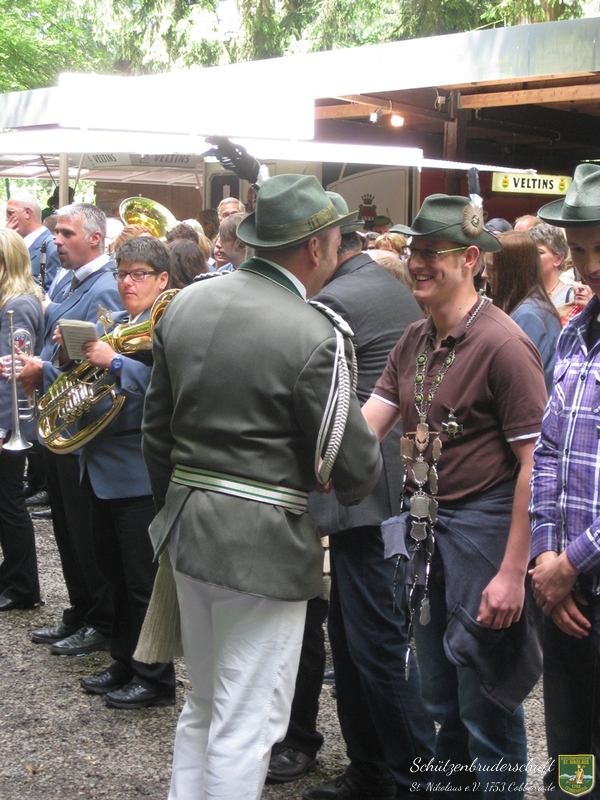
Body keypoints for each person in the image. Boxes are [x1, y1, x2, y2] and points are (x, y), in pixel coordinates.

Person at [140, 174, 382, 800]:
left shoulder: (184, 305)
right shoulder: (314, 332)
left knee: (203, 706)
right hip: (263, 547)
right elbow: (357, 468)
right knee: (247, 722)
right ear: (314, 248)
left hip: (186, 527)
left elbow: (155, 435)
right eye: (336, 243)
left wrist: (178, 504)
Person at [362, 193, 548, 799]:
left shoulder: (504, 344)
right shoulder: (414, 338)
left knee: (485, 703)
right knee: (441, 697)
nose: (417, 263)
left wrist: (513, 573)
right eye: (413, 251)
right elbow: (369, 427)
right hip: (426, 532)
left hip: (484, 536)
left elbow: (535, 466)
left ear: (470, 258)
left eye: (432, 253)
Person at [299, 193, 435, 800]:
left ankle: (413, 778)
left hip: (369, 497)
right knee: (356, 641)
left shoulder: (336, 300)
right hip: (377, 492)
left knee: (375, 646)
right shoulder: (372, 283)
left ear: (323, 248)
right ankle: (375, 770)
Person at [72, 236, 176, 709]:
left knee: (141, 582)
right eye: (122, 274)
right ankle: (124, 660)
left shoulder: (166, 324)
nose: (127, 283)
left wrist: (113, 361)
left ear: (162, 279)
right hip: (100, 465)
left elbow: (167, 391)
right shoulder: (118, 323)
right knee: (112, 573)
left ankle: (155, 678)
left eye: (138, 274)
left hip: (136, 469)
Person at [18, 203, 123, 656]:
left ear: (95, 238)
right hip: (59, 420)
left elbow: (95, 369)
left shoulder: (108, 287)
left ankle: (101, 619)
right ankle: (81, 610)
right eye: (57, 233)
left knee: (85, 534)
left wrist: (43, 370)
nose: (56, 241)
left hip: (83, 428)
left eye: (66, 233)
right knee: (65, 528)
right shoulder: (69, 278)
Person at [529, 162, 600, 797]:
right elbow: (548, 451)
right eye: (580, 250)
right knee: (573, 757)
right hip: (569, 594)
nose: (592, 265)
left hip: (579, 576)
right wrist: (546, 557)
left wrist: (570, 562)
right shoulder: (576, 335)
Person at [0, 230, 44, 610]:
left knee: (9, 504)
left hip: (8, 422)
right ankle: (13, 575)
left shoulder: (18, 306)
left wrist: (3, 427)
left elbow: (10, 375)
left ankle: (22, 585)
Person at [484, 230, 561, 393]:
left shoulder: (529, 316)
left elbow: (515, 385)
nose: (484, 275)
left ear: (511, 271)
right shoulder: (529, 308)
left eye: (491, 269)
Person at [6, 193, 60, 292]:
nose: (7, 219)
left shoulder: (52, 247)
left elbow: (52, 294)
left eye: (10, 213)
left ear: (27, 213)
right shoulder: (13, 245)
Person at [528, 222, 570, 307]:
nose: (531, 256)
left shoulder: (571, 296)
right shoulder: (522, 293)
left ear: (558, 259)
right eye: (529, 251)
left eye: (540, 252)